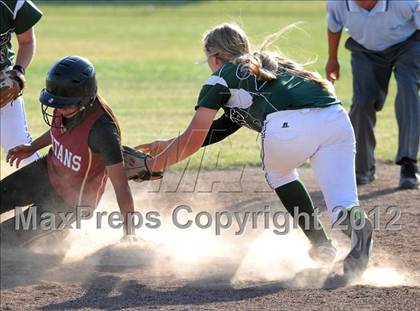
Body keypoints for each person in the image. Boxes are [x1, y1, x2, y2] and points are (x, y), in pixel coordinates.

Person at [137, 23, 373, 283]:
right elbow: (220, 129)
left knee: (279, 174)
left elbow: (193, 139)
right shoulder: (268, 64)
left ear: (215, 58)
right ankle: (358, 230)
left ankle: (321, 245)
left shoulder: (220, 77)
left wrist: (153, 165)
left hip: (288, 126)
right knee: (343, 204)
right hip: (336, 119)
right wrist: (166, 145)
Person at [0, 56, 136, 246]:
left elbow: (121, 185)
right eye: (55, 103)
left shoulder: (102, 131)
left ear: (84, 99)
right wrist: (33, 147)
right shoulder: (67, 104)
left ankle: (58, 232)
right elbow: (58, 130)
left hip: (70, 203)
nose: (58, 108)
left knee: (4, 238)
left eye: (64, 105)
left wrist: (129, 233)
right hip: (46, 172)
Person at [326, 0, 420, 189]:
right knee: (362, 103)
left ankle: (408, 163)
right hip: (364, 50)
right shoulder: (338, 4)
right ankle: (363, 168)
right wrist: (332, 59)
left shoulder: (406, 2)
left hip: (407, 45)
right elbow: (334, 25)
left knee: (408, 92)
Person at [0, 0, 43, 166]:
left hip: (2, 79)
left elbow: (26, 42)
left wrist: (18, 71)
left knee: (19, 145)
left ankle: (44, 192)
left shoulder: (12, 3)